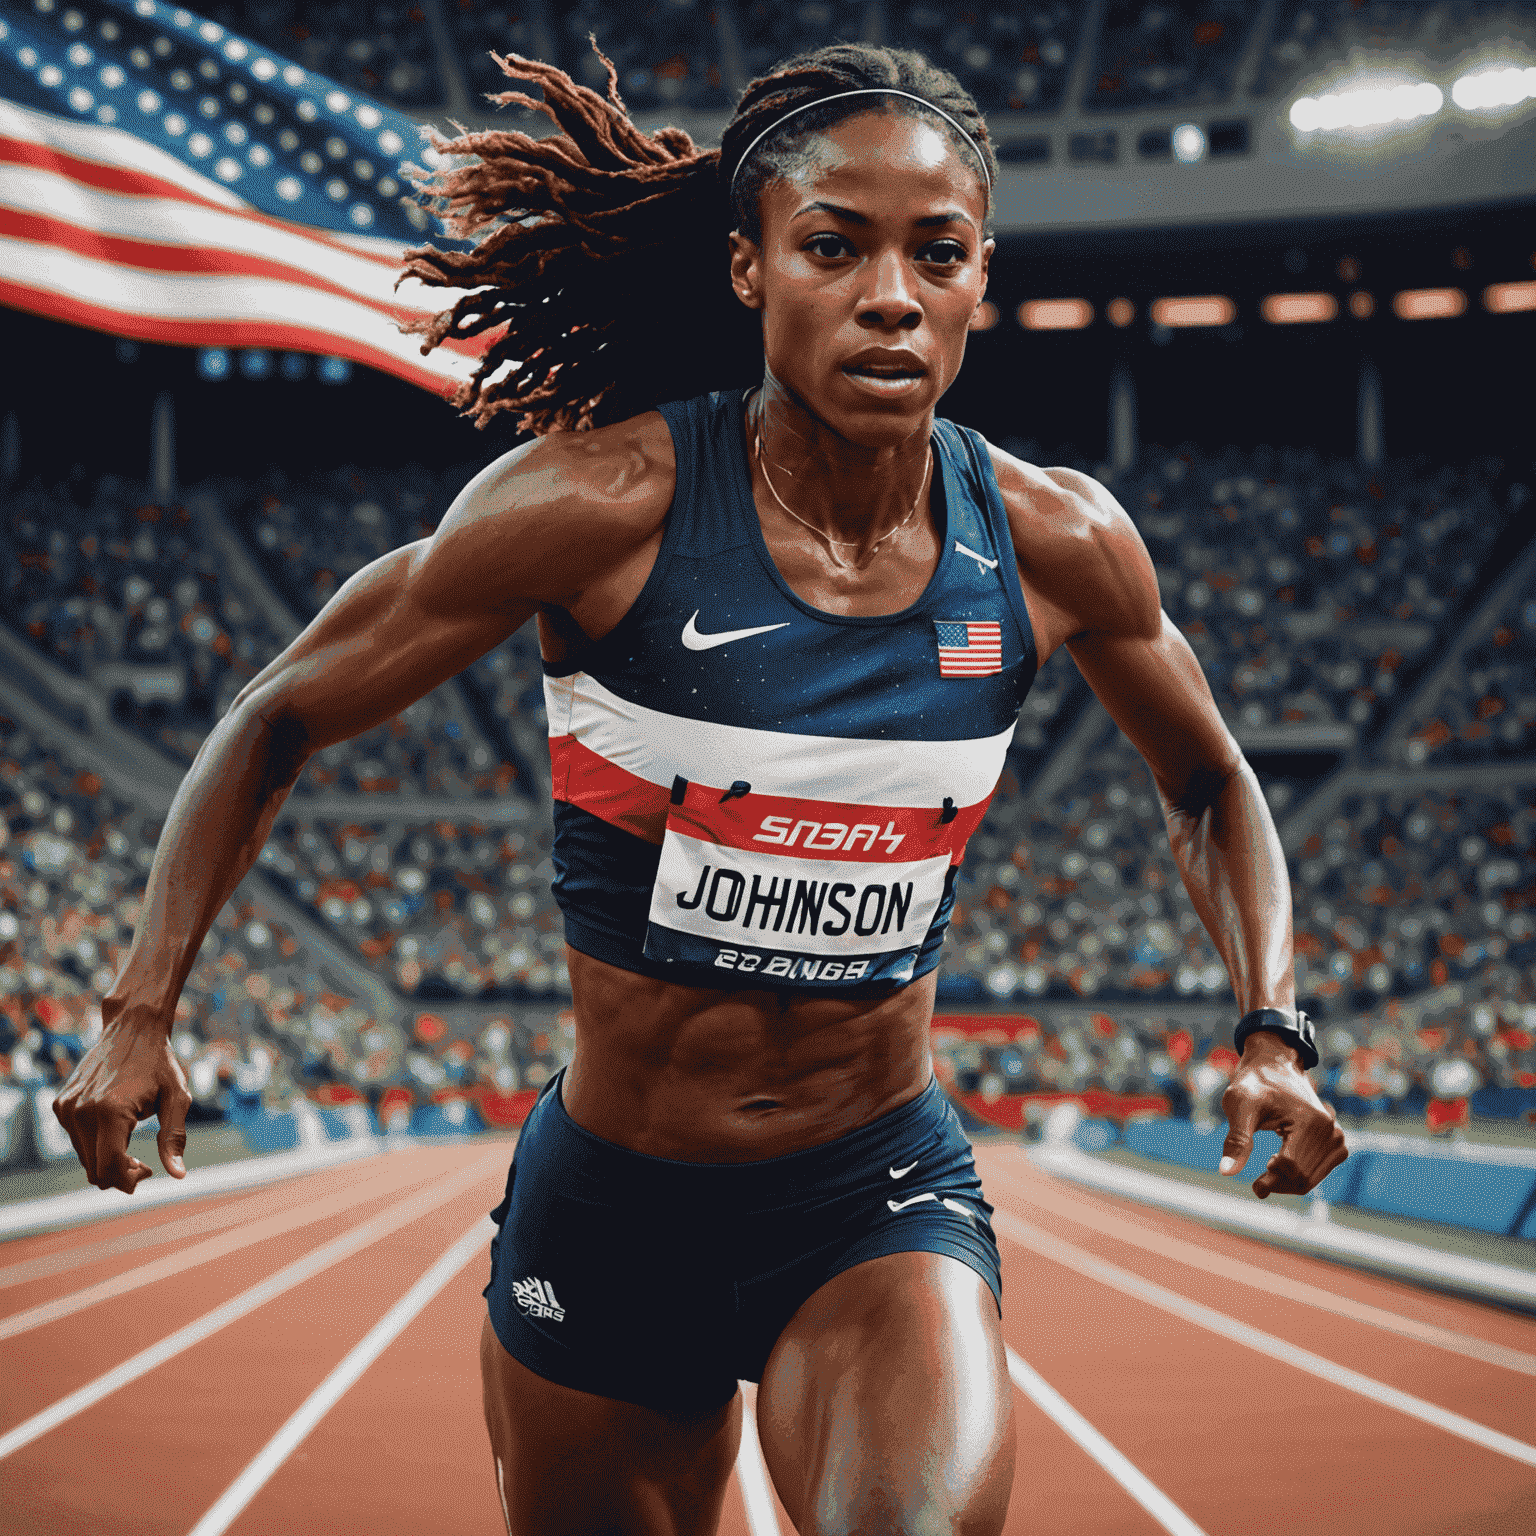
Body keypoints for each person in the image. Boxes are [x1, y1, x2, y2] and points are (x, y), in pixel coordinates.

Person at [54, 40, 1348, 1536]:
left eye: (937, 255)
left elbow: (1209, 783)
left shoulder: (1057, 546)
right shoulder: (599, 508)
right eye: (833, 247)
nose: (889, 295)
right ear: (749, 269)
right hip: (616, 1208)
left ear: (983, 279)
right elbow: (278, 711)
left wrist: (1271, 1026)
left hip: (873, 1193)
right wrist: (141, 1007)